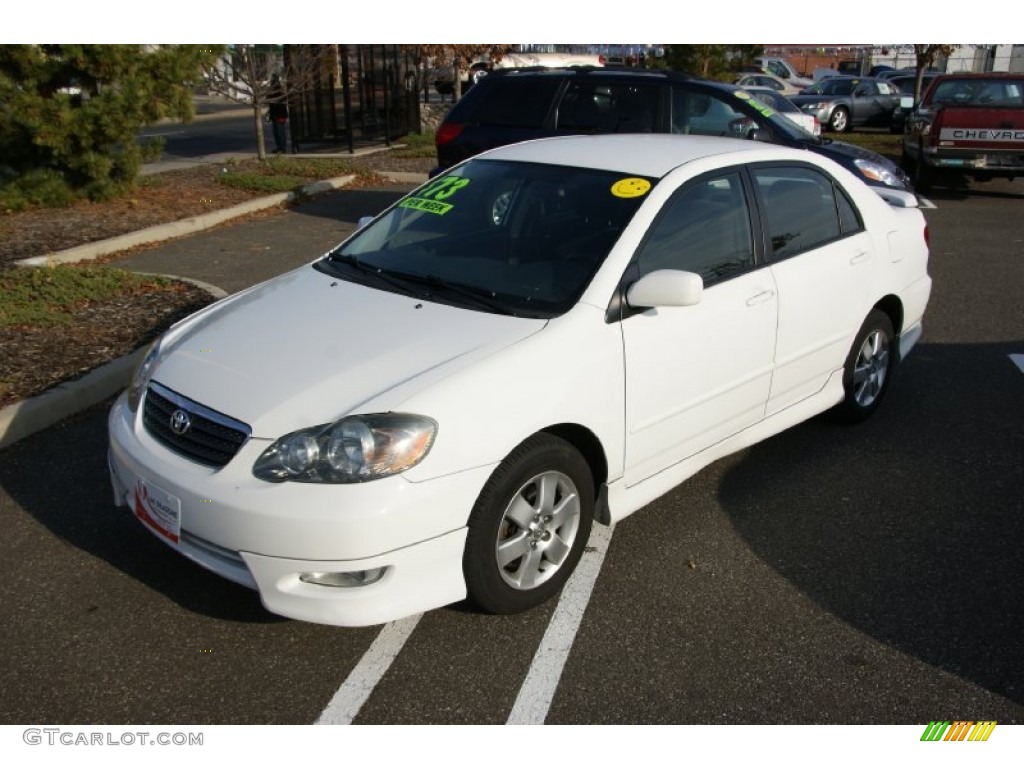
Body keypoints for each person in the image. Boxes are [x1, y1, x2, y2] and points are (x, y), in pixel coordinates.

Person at [267, 79, 289, 155]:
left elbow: (270, 100)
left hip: (279, 115)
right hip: (277, 115)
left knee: (279, 132)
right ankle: (280, 147)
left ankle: (282, 147)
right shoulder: (276, 92)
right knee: (278, 132)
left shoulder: (278, 93)